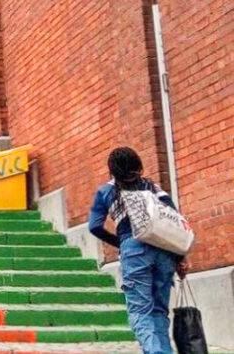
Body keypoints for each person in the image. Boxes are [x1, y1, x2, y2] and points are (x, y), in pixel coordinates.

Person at [88, 147, 188, 354]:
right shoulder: (152, 187)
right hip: (163, 249)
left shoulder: (106, 191)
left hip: (133, 251)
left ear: (112, 171)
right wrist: (180, 257)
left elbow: (94, 226)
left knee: (140, 312)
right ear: (138, 165)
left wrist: (121, 243)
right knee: (159, 310)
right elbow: (173, 218)